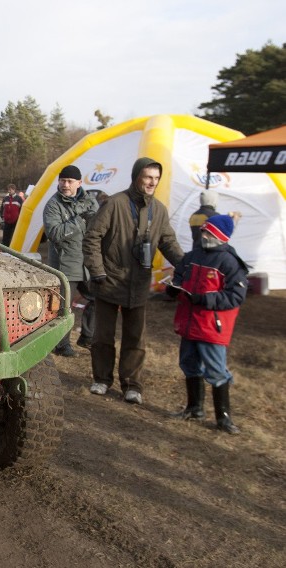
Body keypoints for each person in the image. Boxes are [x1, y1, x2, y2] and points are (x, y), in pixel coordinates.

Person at [83, 157, 185, 404]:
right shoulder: (114, 204)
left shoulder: (158, 210)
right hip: (108, 280)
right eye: (148, 177)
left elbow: (168, 241)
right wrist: (97, 271)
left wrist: (187, 264)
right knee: (103, 337)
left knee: (136, 339)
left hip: (138, 284)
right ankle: (102, 380)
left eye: (156, 178)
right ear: (137, 176)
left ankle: (132, 385)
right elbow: (92, 237)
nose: (152, 182)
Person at [167, 215, 247, 434]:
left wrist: (205, 299)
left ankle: (224, 418)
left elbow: (236, 296)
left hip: (212, 327)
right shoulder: (192, 256)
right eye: (203, 232)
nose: (204, 236)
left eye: (209, 233)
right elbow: (179, 277)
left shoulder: (230, 262)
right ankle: (195, 409)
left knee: (216, 370)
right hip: (189, 323)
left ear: (220, 236)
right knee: (189, 364)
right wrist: (173, 288)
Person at [43, 165, 99, 356]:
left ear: (79, 183)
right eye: (62, 180)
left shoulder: (90, 201)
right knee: (64, 308)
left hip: (88, 263)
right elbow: (54, 233)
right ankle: (62, 345)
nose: (66, 185)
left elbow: (100, 226)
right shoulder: (53, 205)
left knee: (98, 298)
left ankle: (88, 337)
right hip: (65, 264)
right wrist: (80, 220)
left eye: (70, 181)